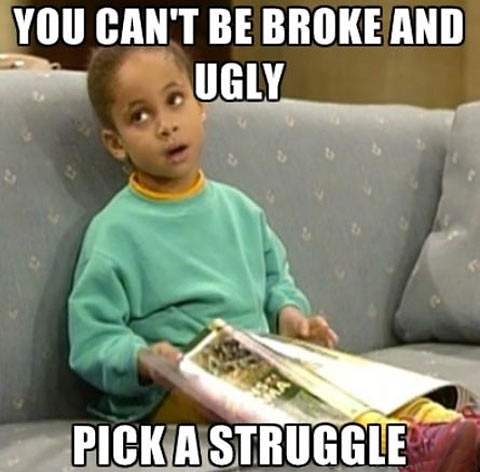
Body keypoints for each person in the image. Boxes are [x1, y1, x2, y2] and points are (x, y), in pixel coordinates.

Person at [68, 43, 478, 472]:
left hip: (262, 366)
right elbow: (92, 338)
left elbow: (276, 285)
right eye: (140, 116)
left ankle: (446, 426)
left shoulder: (240, 210)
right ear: (116, 143)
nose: (166, 125)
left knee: (338, 374)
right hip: (171, 393)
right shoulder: (114, 232)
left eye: (175, 100)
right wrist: (142, 360)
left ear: (200, 105)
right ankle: (404, 446)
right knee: (303, 399)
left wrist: (292, 317)